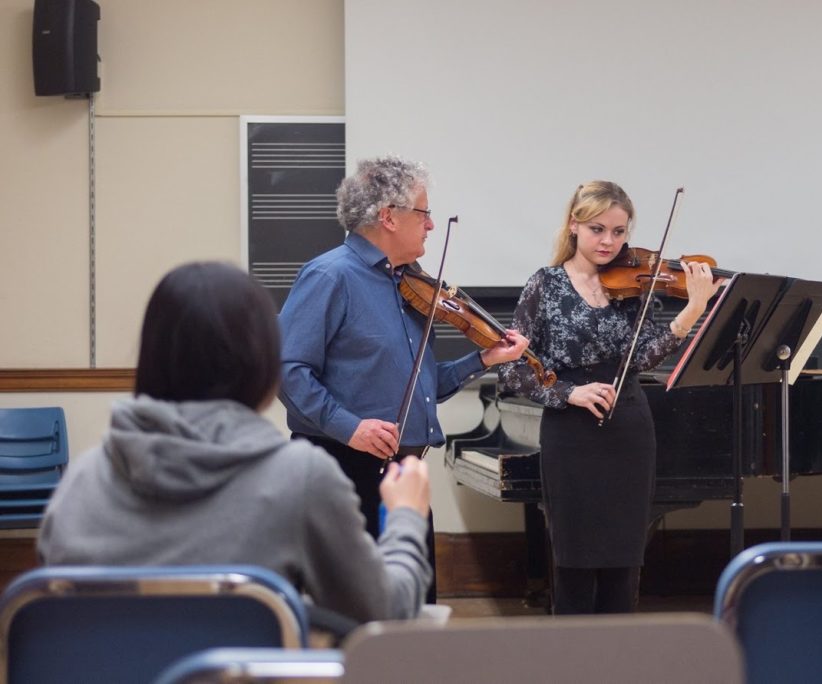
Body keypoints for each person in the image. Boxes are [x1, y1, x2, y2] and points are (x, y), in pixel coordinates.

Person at [38, 261, 432, 625]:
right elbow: (384, 612)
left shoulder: (81, 481)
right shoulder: (301, 478)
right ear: (260, 362)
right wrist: (407, 516)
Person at [277, 156, 529, 601]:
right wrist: (350, 427)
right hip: (342, 469)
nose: (431, 225)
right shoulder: (330, 275)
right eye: (424, 212)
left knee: (415, 604)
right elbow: (288, 370)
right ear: (388, 216)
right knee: (354, 613)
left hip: (401, 472)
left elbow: (422, 383)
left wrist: (485, 359)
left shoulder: (409, 283)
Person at [498, 180, 720, 615]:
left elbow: (642, 357)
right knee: (574, 562)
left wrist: (692, 313)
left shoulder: (634, 285)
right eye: (599, 229)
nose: (609, 242)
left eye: (619, 232)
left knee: (624, 562)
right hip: (570, 432)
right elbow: (512, 367)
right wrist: (568, 392)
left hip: (629, 427)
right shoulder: (544, 285)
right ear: (574, 226)